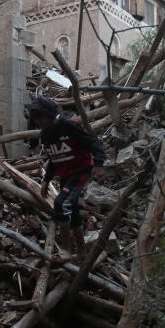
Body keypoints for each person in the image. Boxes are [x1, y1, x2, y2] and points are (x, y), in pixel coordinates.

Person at [29, 95, 107, 259]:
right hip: (65, 173)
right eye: (36, 119)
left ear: (50, 114)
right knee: (72, 208)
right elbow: (53, 159)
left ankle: (66, 248)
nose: (39, 122)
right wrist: (46, 180)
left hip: (81, 170)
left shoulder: (69, 126)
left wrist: (99, 164)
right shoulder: (45, 135)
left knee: (60, 203)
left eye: (41, 117)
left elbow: (93, 142)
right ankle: (82, 251)